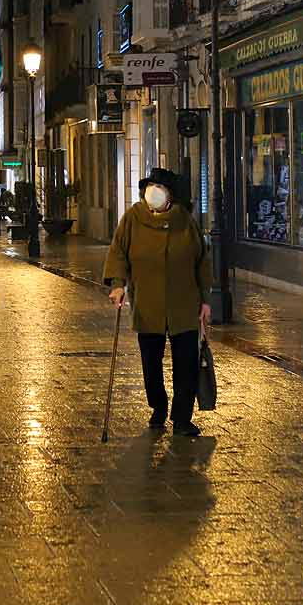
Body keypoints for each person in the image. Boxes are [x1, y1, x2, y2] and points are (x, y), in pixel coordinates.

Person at [102, 167, 211, 437]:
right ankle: (158, 407)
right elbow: (118, 252)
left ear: (170, 195)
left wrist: (205, 300)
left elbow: (201, 261)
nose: (154, 191)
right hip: (148, 303)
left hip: (183, 304)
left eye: (159, 187)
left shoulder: (185, 220)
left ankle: (182, 418)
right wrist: (117, 284)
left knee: (186, 364)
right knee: (151, 364)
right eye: (150, 186)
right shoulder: (132, 219)